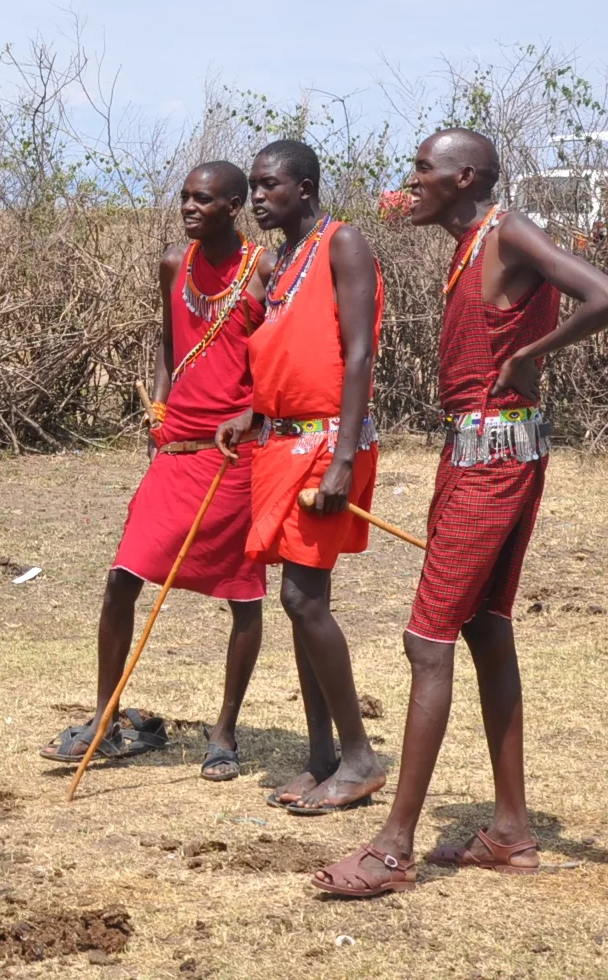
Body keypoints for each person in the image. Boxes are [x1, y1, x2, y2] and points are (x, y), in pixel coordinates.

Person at [313, 129, 608, 898]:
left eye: (424, 169)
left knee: (427, 643)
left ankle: (393, 849)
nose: (412, 181)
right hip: (489, 454)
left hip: (490, 461)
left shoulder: (507, 230)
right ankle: (512, 831)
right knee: (485, 629)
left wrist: (532, 355)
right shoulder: (474, 244)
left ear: (464, 177)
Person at [44, 163, 269, 776]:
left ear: (235, 204)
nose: (190, 207)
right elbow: (169, 345)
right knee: (123, 576)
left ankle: (224, 732)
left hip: (234, 454)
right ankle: (107, 716)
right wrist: (160, 412)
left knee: (242, 596)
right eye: (185, 197)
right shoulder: (174, 263)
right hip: (175, 450)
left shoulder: (265, 268)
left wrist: (253, 414)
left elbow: (277, 358)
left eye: (204, 199)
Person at [218, 140, 386, 817]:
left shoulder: (343, 244)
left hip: (324, 443)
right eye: (254, 187)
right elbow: (288, 348)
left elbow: (356, 350)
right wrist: (252, 408)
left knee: (303, 598)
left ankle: (360, 757)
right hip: (278, 442)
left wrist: (344, 456)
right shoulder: (279, 260)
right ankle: (321, 757)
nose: (257, 198)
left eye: (269, 186)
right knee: (297, 601)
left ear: (307, 187)